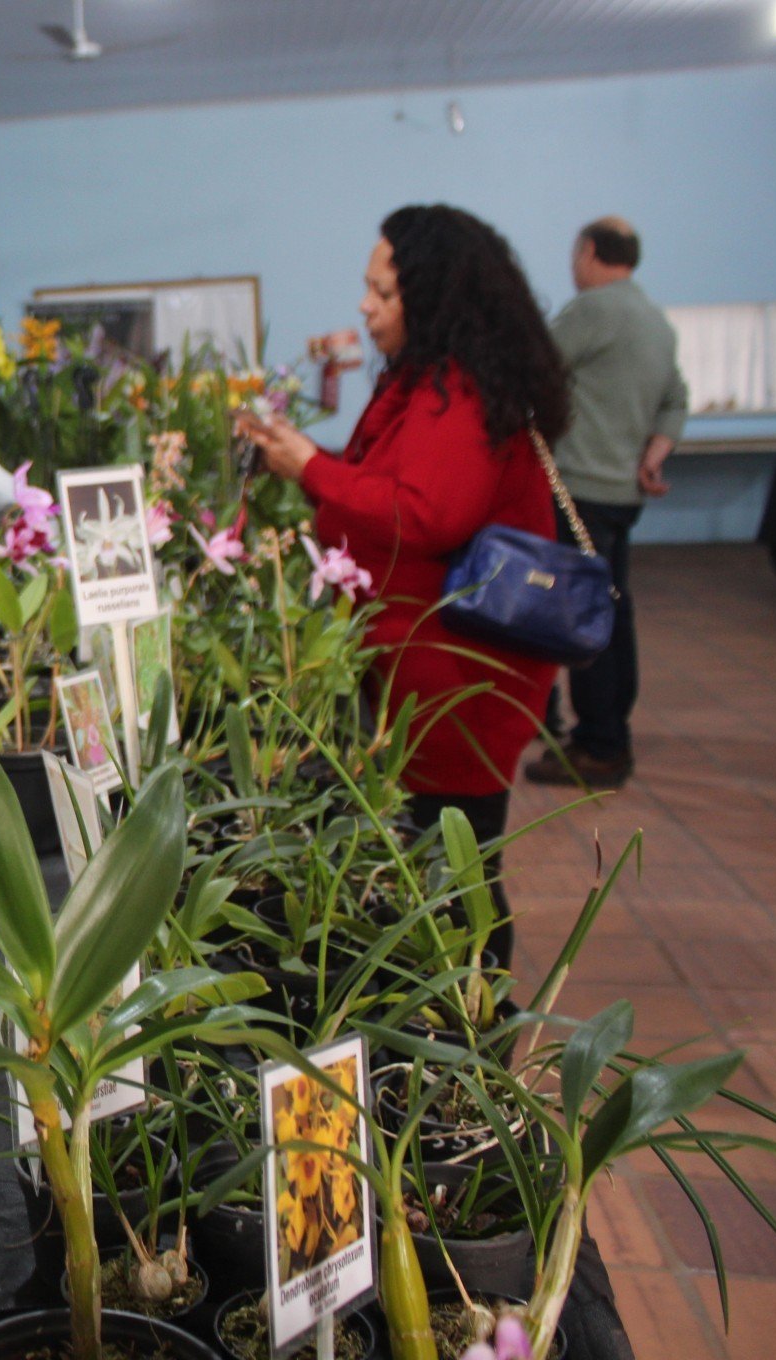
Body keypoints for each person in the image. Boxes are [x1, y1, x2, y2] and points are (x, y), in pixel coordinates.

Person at [236, 205, 573, 971]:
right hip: (421, 667)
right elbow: (388, 484)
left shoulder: (459, 390)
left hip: (458, 682)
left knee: (460, 870)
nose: (364, 306)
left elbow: (424, 513)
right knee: (434, 861)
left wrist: (310, 470)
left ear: (434, 297)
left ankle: (475, 1033)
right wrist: (302, 457)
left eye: (381, 293)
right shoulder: (426, 383)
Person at [523, 217, 688, 790]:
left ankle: (598, 745)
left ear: (589, 251)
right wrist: (652, 456)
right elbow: (676, 401)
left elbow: (533, 369)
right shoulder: (654, 320)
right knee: (614, 611)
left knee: (577, 618)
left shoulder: (592, 310)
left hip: (577, 490)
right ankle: (608, 730)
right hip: (621, 493)